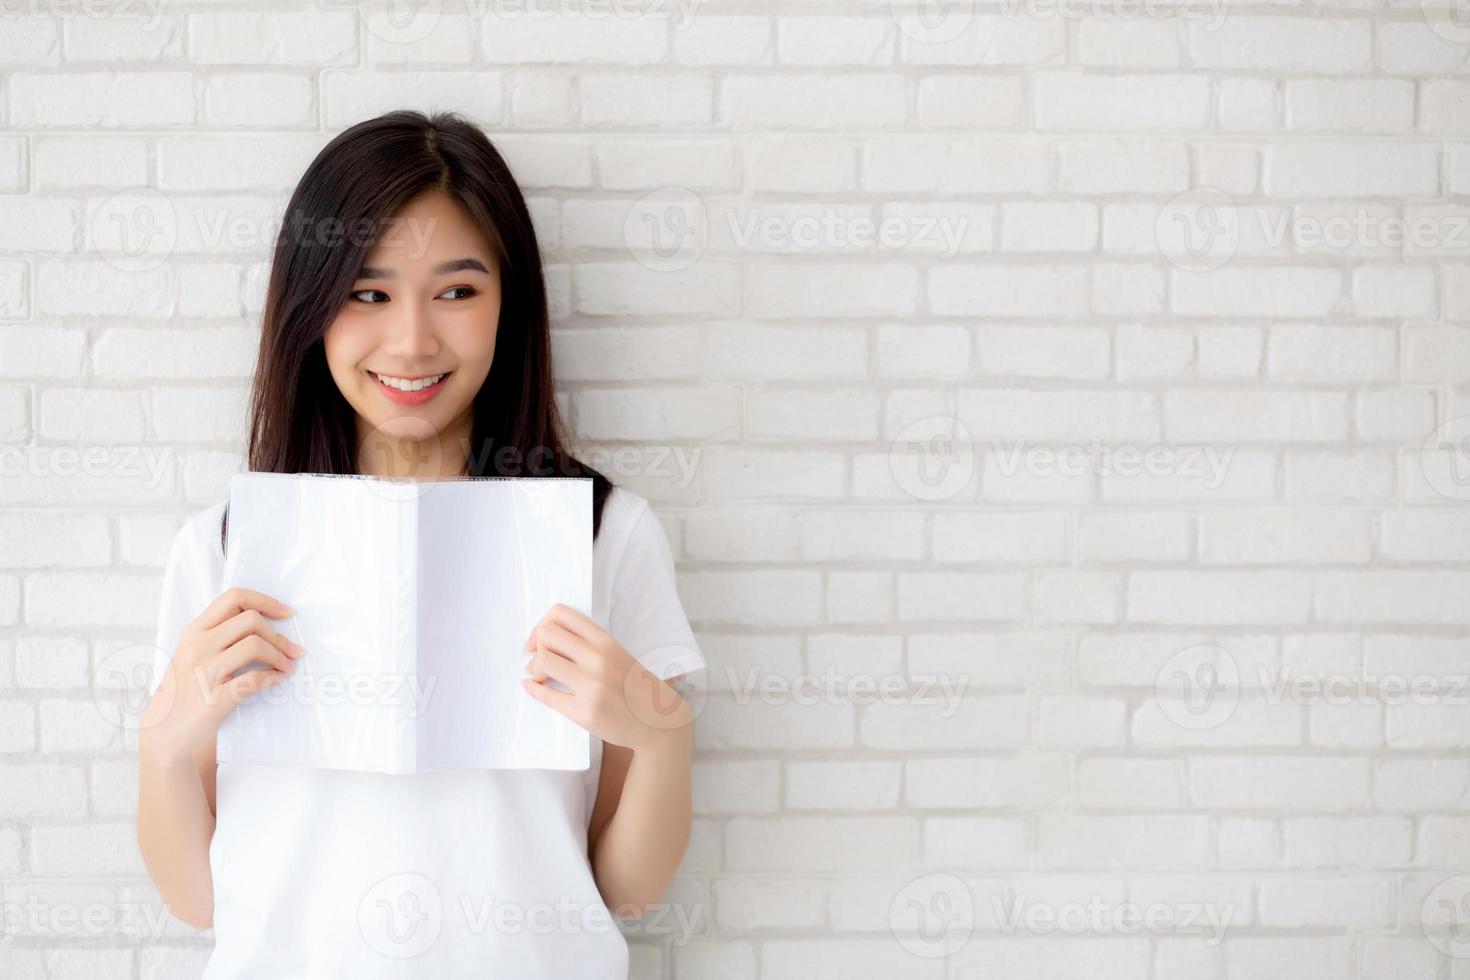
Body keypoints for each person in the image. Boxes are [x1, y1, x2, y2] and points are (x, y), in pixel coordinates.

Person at [135, 110, 705, 978]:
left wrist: (663, 737)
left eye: (458, 290)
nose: (411, 340)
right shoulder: (222, 550)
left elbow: (623, 894)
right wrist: (166, 743)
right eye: (368, 293)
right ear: (311, 307)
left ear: (509, 304)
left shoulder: (603, 535)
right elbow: (197, 902)